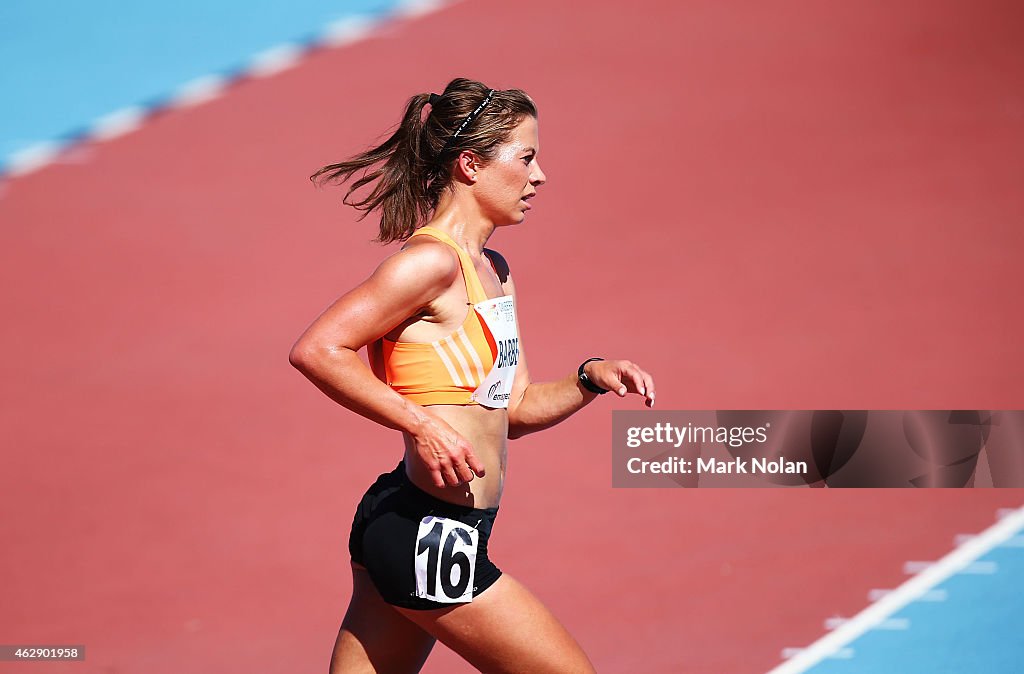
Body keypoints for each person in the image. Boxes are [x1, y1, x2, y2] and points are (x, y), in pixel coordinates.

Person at [289, 77, 655, 674]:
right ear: (470, 164)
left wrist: (589, 378)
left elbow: (516, 409)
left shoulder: (494, 271)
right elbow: (318, 349)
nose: (541, 177)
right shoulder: (430, 263)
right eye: (527, 158)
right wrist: (421, 425)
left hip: (422, 523)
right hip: (426, 533)